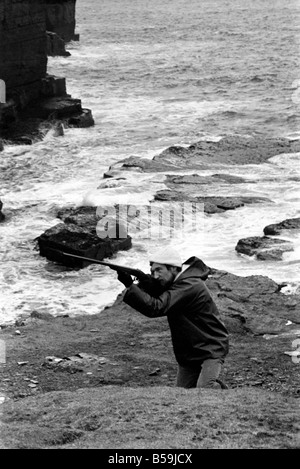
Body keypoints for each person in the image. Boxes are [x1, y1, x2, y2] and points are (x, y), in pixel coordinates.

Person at [117, 247, 229, 389]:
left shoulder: (190, 285)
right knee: (181, 395)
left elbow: (156, 307)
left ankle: (226, 394)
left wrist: (130, 285)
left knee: (205, 389)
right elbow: (157, 289)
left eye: (159, 270)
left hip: (211, 348)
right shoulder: (176, 283)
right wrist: (144, 281)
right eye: (152, 272)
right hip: (189, 352)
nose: (155, 276)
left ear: (174, 269)